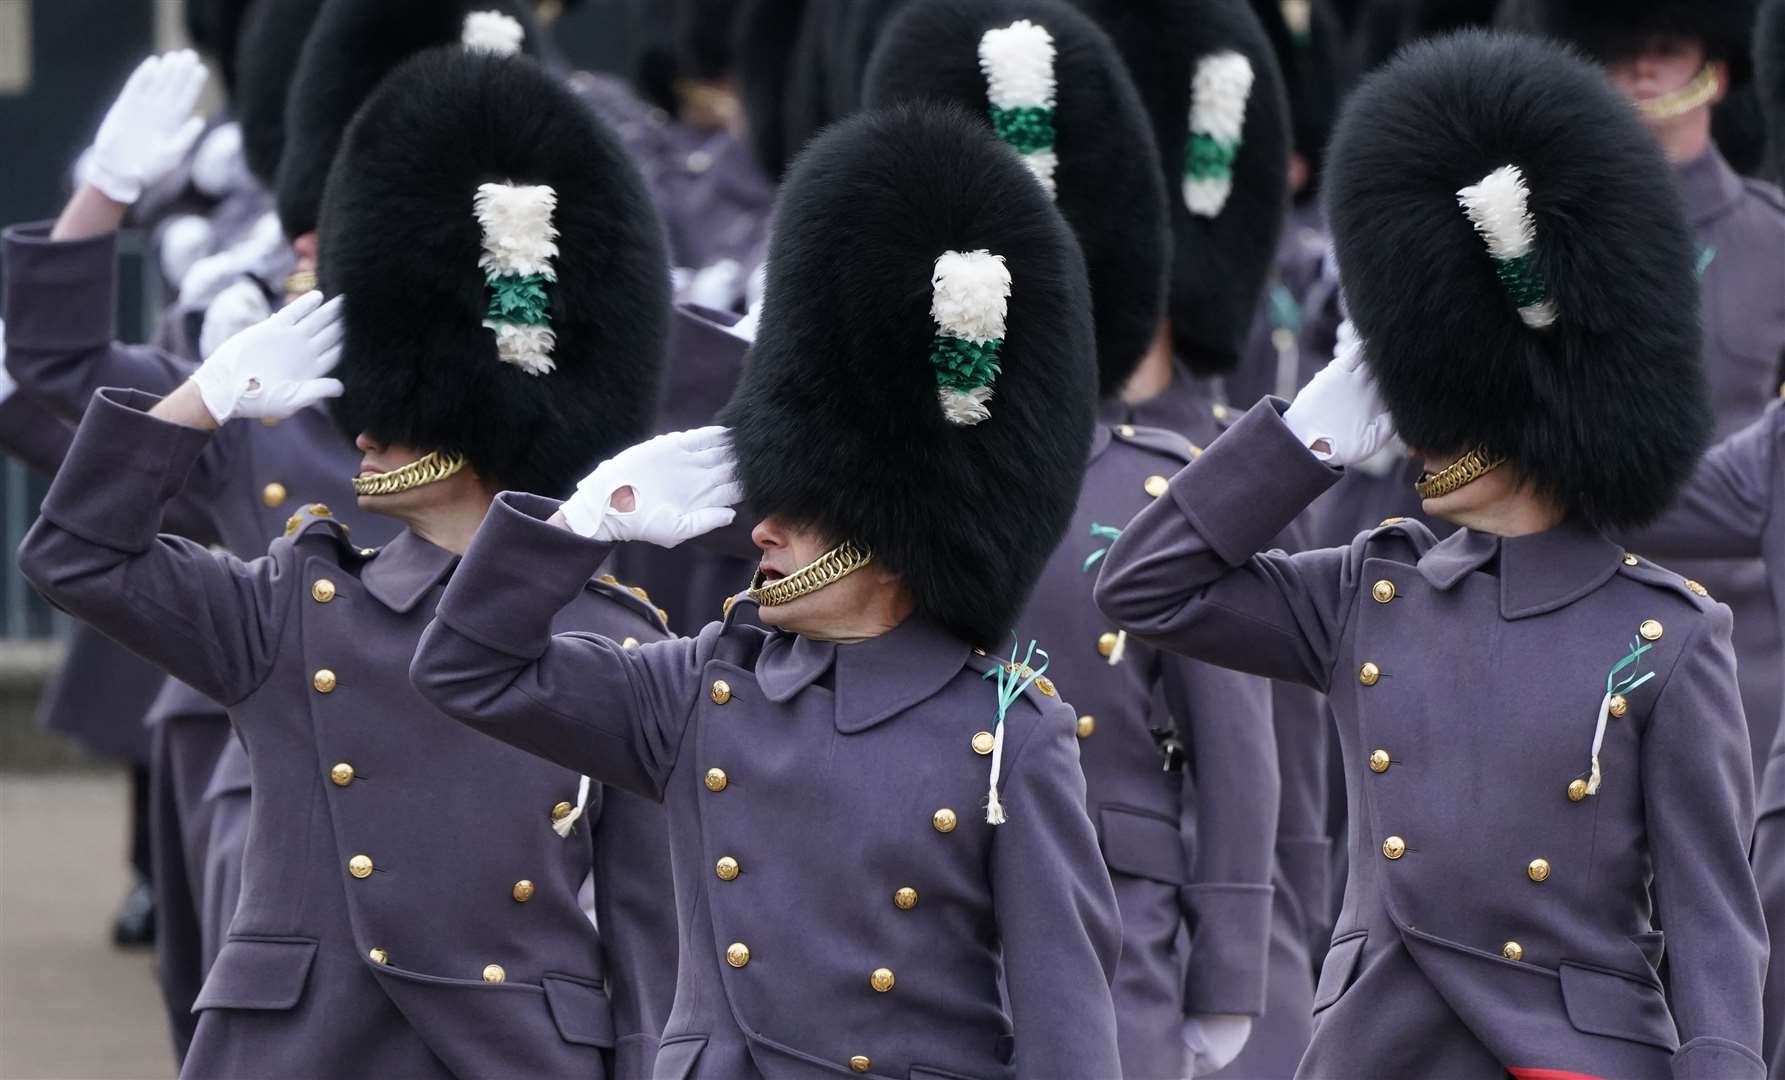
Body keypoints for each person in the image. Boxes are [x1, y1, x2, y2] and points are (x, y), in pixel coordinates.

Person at [1094, 30, 1766, 1078]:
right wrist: (1301, 440)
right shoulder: (1375, 592)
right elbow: (1144, 585)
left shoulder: (1668, 637)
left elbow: (1715, 928)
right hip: (1376, 1046)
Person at [411, 102, 1123, 1080]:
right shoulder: (700, 688)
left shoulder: (1006, 737)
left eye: (803, 509)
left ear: (890, 537)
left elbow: (1066, 1031)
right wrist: (577, 524)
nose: (760, 530)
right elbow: (466, 671)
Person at [21, 47, 677, 1078]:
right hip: (308, 1047)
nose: (360, 428)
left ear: (468, 412)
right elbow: (74, 556)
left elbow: (654, 949)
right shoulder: (299, 606)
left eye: (395, 407)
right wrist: (200, 400)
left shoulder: (620, 646)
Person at [863, 3, 1281, 1077]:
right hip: (901, 926)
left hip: (1113, 922)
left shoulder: (1159, 489)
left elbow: (1238, 764)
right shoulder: (869, 487)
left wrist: (1230, 966)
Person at [1508, 0, 1785, 785]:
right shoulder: (1544, 242)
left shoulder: (1774, 240)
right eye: (1619, 47)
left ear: (1715, 67)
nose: (1640, 69)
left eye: (1665, 47)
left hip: (1740, 631)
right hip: (1578, 602)